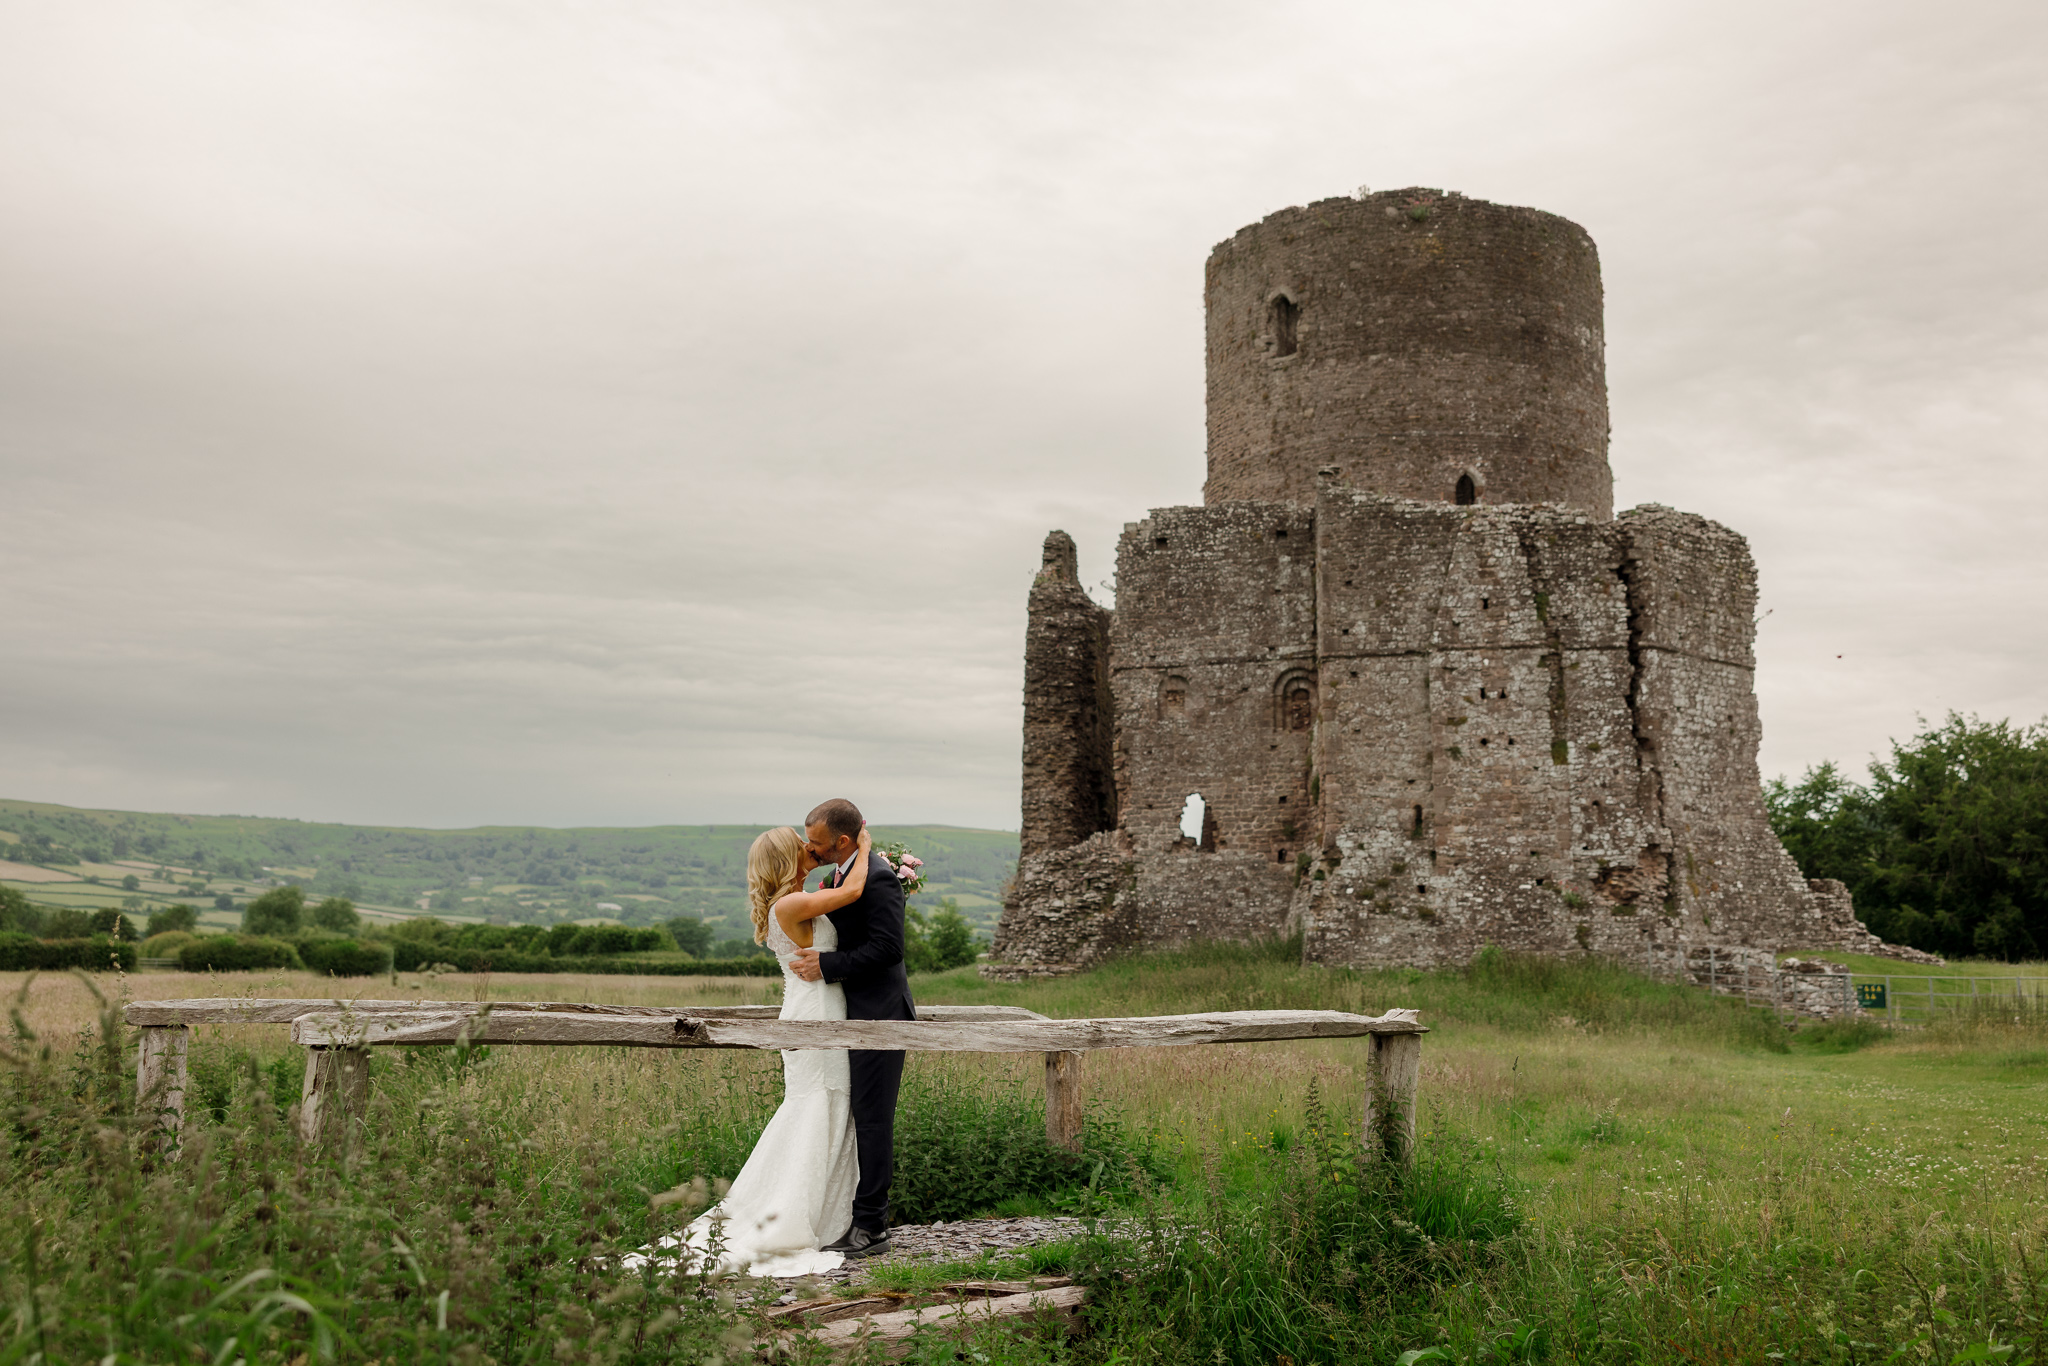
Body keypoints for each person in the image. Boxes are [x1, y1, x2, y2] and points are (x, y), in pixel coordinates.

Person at [656, 822, 878, 1276]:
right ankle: (799, 1217)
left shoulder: (789, 900)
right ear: (786, 858)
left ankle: (817, 1211)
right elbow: (854, 891)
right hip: (815, 1013)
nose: (809, 847)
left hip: (815, 1007)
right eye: (802, 846)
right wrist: (866, 847)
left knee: (822, 1105)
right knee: (821, 1103)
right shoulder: (791, 903)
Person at [790, 797, 916, 1260]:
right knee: (857, 1115)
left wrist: (827, 966)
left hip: (881, 1015)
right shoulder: (836, 877)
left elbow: (888, 949)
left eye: (818, 842)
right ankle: (853, 1215)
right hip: (850, 1014)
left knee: (874, 1119)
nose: (812, 849)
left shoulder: (880, 880)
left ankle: (872, 1226)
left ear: (843, 840)